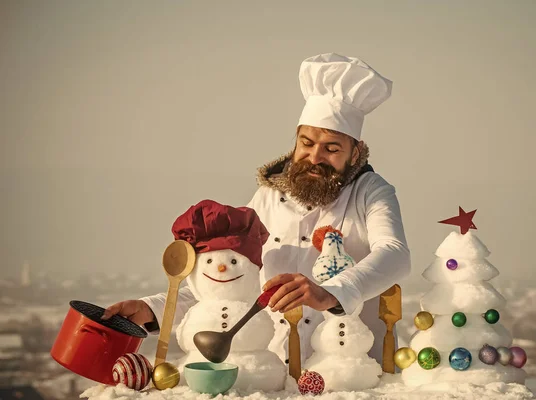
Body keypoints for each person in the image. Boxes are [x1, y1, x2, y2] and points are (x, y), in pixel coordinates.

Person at [102, 53, 411, 365]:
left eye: (332, 149)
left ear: (355, 152)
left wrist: (333, 292)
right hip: (274, 370)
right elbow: (231, 281)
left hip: (351, 369)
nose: (315, 157)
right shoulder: (266, 197)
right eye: (306, 143)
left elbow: (395, 254)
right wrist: (154, 308)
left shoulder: (370, 191)